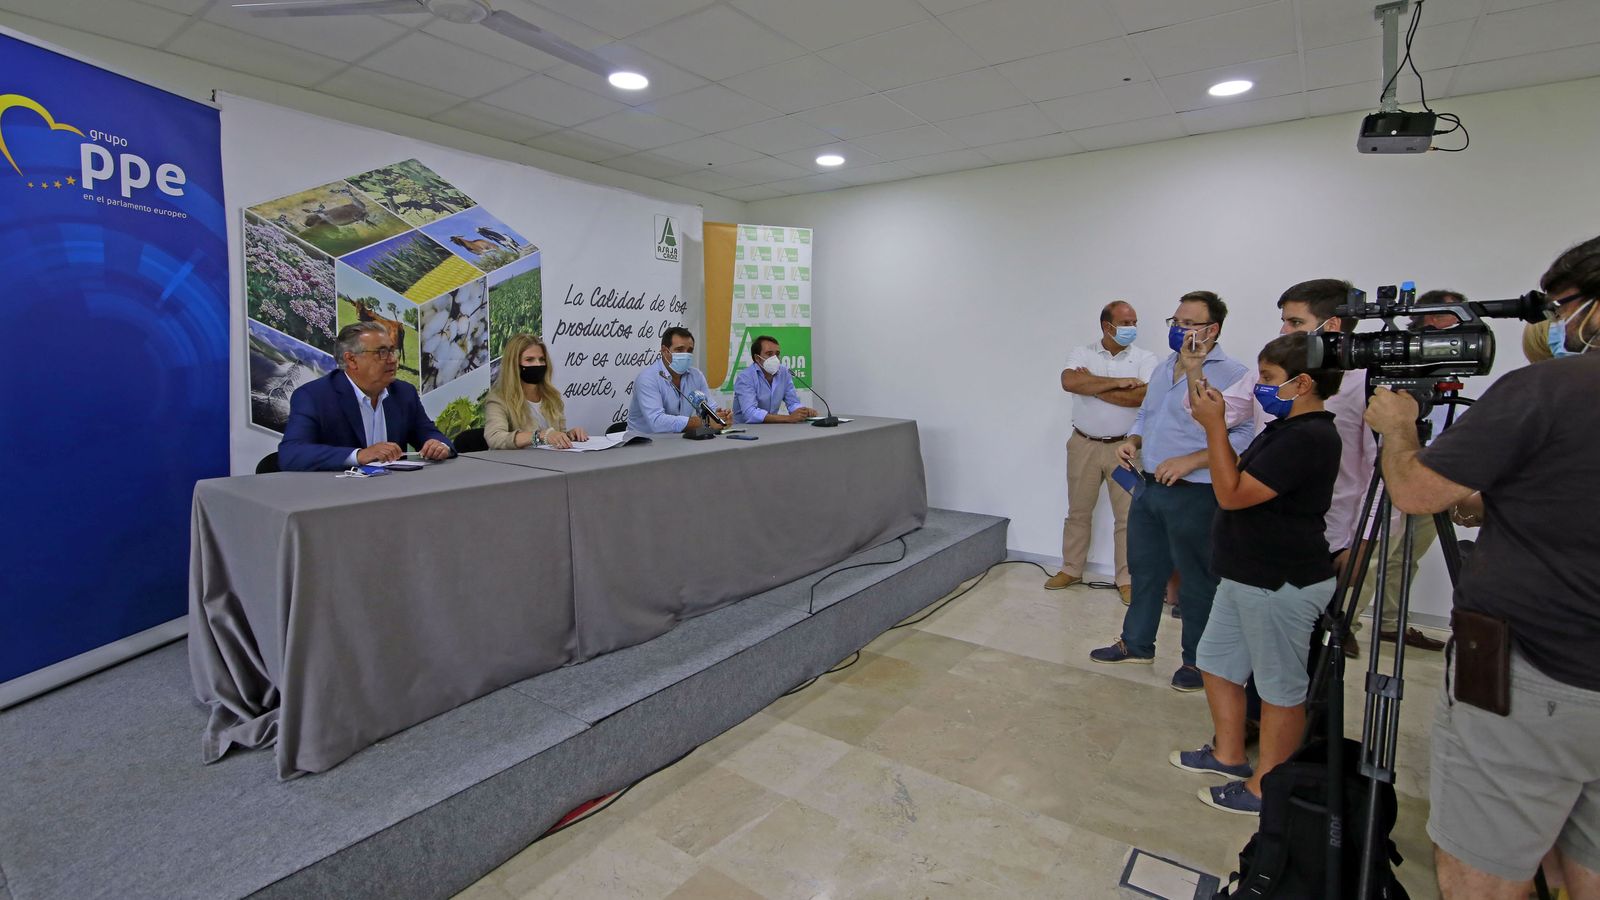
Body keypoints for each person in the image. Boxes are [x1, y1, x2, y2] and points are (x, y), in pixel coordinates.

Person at [1365, 236, 1600, 899]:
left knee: (1482, 873)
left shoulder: (1551, 388)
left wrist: (1399, 426)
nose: (1551, 324)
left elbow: (1412, 493)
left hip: (1538, 675)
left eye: (1561, 308)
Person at [1169, 333, 1343, 815]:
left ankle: (1269, 788)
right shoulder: (1286, 429)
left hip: (1279, 581)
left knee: (1278, 688)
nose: (1260, 388)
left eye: (1268, 379)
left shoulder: (1311, 436)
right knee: (1217, 661)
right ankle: (1228, 756)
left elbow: (1232, 494)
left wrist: (1215, 428)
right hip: (1245, 574)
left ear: (1302, 382)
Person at [1090, 291, 1255, 692]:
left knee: (1197, 581)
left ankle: (1197, 662)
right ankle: (1137, 643)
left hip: (1196, 492)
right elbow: (1148, 413)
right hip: (1149, 486)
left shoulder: (1234, 374)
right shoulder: (1166, 366)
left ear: (1212, 329)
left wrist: (1191, 460)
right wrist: (1135, 440)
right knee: (1145, 569)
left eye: (1189, 323)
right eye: (1175, 322)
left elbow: (1243, 438)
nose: (1179, 330)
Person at [1346, 293, 1467, 655]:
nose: (1456, 327)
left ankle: (1389, 623)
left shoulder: (1455, 365)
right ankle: (1344, 624)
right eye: (1448, 318)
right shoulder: (1398, 367)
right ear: (1425, 320)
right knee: (1375, 550)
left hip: (1438, 474)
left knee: (1407, 555)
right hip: (1394, 469)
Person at [1047, 300, 1158, 603]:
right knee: (1078, 511)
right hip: (1083, 444)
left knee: (1128, 517)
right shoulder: (1082, 353)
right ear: (1107, 326)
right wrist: (1119, 383)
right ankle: (1071, 568)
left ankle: (1127, 578)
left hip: (1125, 449)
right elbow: (1069, 381)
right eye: (1126, 323)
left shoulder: (1145, 358)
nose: (1132, 328)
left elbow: (1143, 397)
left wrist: (1093, 386)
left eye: (1134, 322)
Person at [278, 321, 454, 471]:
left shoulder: (403, 393)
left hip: (396, 493)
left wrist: (439, 446)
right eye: (382, 352)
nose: (393, 360)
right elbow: (291, 454)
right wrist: (359, 455)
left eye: (392, 351)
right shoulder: (314, 396)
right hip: (339, 496)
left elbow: (431, 434)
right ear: (351, 360)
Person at [484, 333, 589, 449]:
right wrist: (539, 436)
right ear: (514, 365)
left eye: (541, 359)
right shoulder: (498, 399)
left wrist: (568, 436)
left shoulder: (552, 397)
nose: (537, 364)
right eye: (529, 360)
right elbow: (495, 438)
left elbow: (555, 436)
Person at [627, 327, 732, 435]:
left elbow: (709, 407)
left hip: (679, 442)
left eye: (689, 351)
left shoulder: (696, 376)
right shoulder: (647, 378)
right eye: (680, 349)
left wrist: (721, 417)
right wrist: (703, 422)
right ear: (664, 351)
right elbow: (657, 422)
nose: (686, 355)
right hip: (644, 444)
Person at [732, 335, 817, 424]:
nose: (775, 358)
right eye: (769, 354)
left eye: (777, 354)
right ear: (757, 358)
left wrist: (802, 411)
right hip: (746, 430)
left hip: (772, 429)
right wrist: (788, 418)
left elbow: (792, 403)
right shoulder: (745, 377)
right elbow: (750, 413)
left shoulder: (784, 372)